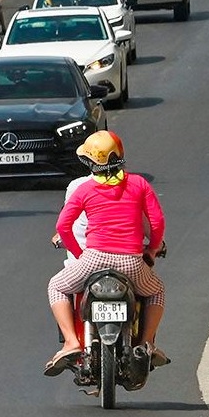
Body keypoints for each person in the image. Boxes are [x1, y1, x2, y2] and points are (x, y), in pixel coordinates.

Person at [43, 131, 168, 375]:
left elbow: (62, 227)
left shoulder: (84, 189)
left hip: (94, 258)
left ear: (90, 163)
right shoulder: (139, 184)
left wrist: (79, 254)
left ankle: (71, 342)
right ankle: (145, 343)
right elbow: (157, 222)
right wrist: (152, 249)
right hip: (131, 262)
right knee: (157, 291)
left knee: (56, 286)